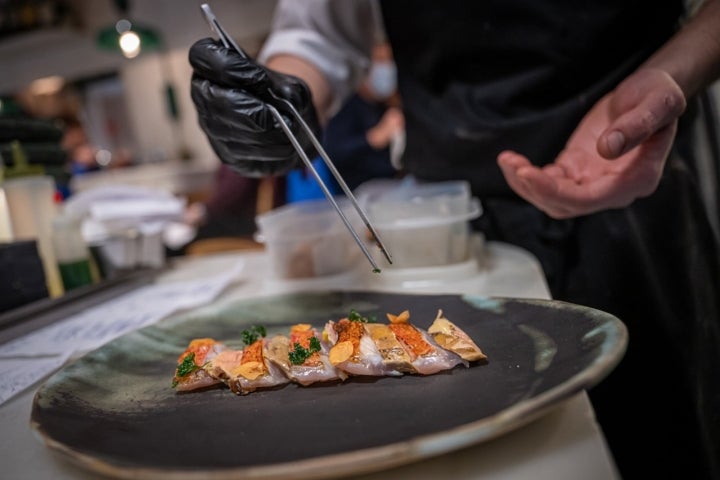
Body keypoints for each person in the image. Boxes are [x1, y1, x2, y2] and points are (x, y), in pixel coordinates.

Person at [187, 1, 720, 478]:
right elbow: (319, 36)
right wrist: (281, 103)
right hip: (445, 225)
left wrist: (672, 71)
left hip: (630, 174)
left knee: (658, 428)